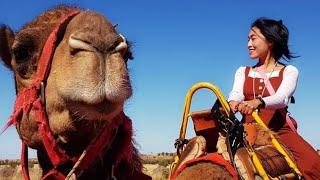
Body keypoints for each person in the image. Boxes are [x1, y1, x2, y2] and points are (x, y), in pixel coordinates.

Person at [228, 17, 320, 179]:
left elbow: (282, 98)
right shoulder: (243, 71)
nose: (248, 44)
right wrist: (233, 102)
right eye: (248, 39)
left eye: (253, 38)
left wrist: (259, 102)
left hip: (279, 131)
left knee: (314, 165)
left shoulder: (289, 71)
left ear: (270, 41)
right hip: (248, 130)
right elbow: (236, 92)